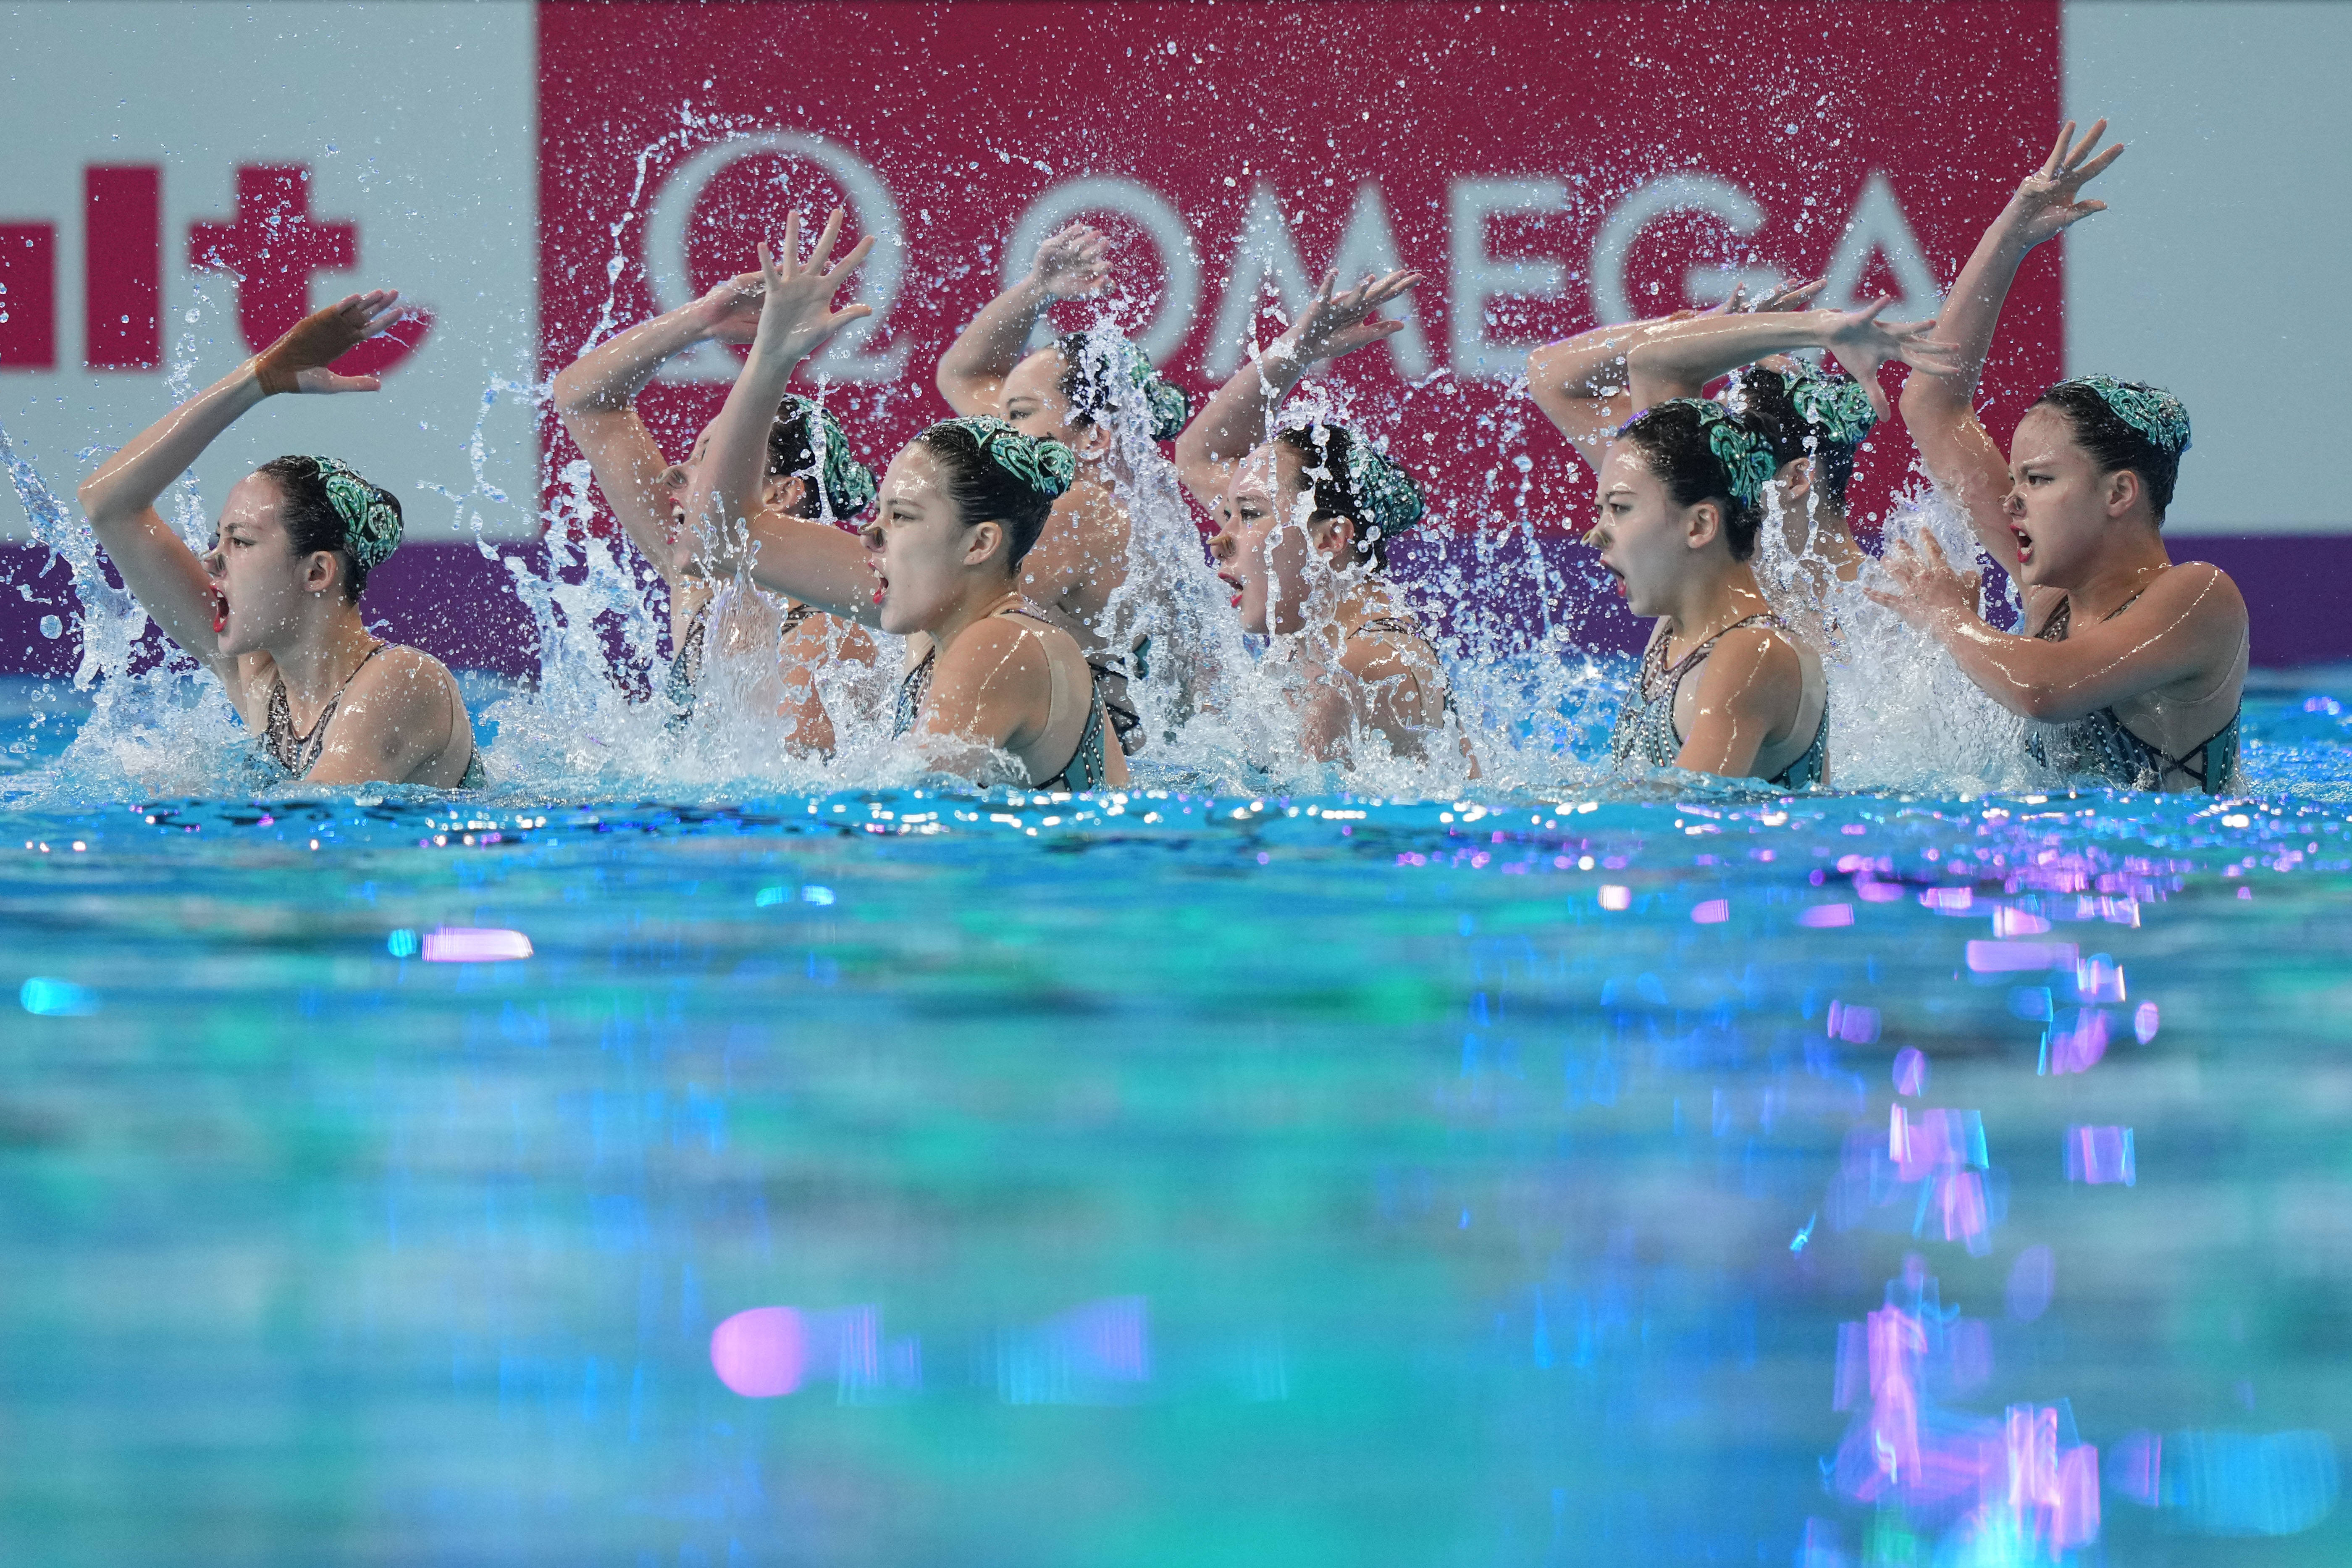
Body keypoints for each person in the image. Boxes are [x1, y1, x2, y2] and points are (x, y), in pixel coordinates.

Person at [690, 213, 1128, 791]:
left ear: (979, 543)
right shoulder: (953, 617)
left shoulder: (1001, 643)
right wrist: (771, 358)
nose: (870, 535)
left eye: (902, 516)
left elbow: (902, 827)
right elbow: (724, 538)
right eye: (882, 512)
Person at [1876, 119, 2246, 793]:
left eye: (2039, 479)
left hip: (2185, 886)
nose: (2010, 499)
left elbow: (2043, 690)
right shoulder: (2050, 599)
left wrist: (1948, 618)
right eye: (2015, 478)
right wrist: (2011, 237)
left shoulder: (2200, 600)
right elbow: (1933, 404)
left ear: (2118, 494)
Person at [74, 292, 483, 788]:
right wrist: (258, 380)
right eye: (217, 539)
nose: (211, 560)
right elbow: (109, 505)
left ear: (316, 572)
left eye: (240, 542)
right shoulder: (261, 682)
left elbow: (310, 826)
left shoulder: (401, 681)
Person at [549, 243, 879, 752]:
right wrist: (701, 321)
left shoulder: (829, 643)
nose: (672, 475)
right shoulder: (702, 585)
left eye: (711, 458)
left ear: (783, 493)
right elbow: (586, 401)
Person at [1528, 283, 1951, 639]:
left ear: (1796, 478)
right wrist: (1704, 327)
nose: (1707, 453)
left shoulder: (1898, 610)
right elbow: (1550, 375)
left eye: (1733, 444)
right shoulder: (1700, 552)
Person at [1173, 266, 1465, 768]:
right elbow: (1198, 454)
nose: (1219, 539)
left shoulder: (1359, 667)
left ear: (1331, 539)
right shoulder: (1329, 635)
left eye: (1247, 514)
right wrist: (1298, 349)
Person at [934, 222, 1194, 750]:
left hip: (1105, 778)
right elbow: (964, 375)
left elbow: (949, 612)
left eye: (1020, 414)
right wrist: (1039, 290)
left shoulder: (1079, 509)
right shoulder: (1119, 503)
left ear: (1094, 437)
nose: (996, 432)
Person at [1586, 399, 1832, 786]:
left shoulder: (1753, 654)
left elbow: (1675, 811)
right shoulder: (1675, 629)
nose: (1595, 534)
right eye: (1601, 509)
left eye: (1619, 508)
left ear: (1700, 525)